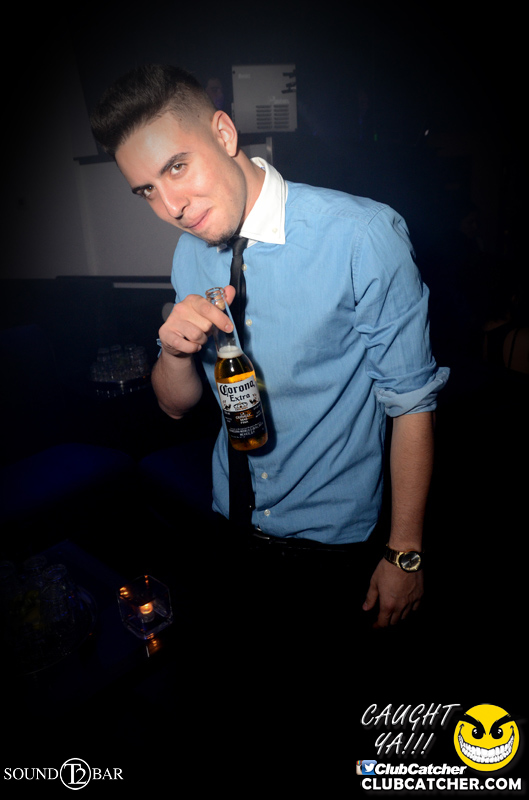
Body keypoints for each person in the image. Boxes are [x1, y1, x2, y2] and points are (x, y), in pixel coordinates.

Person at [90, 64, 449, 634]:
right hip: (224, 524)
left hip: (334, 551)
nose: (171, 206)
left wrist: (405, 553)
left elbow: (412, 404)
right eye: (148, 191)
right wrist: (175, 352)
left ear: (224, 133)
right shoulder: (188, 254)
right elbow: (175, 407)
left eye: (177, 167)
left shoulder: (361, 235)